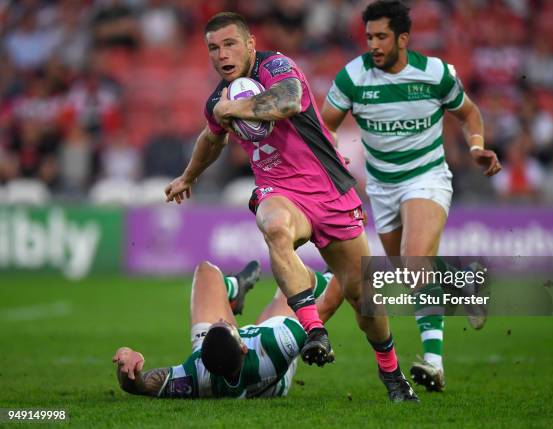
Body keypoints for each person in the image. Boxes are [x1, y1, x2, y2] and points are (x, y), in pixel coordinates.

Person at [164, 12, 417, 401]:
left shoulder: (276, 66)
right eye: (213, 48)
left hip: (330, 192)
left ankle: (392, 374)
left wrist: (235, 111)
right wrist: (188, 176)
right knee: (274, 225)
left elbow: (289, 100)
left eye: (230, 44)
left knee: (364, 302)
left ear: (249, 45)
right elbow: (211, 140)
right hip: (279, 191)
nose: (221, 55)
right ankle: (315, 330)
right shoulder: (218, 99)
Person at [321, 0, 501, 392]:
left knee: (416, 259)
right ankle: (465, 283)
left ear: (403, 38)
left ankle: (434, 363)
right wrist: (333, 160)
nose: (373, 44)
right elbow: (324, 128)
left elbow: (470, 113)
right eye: (369, 36)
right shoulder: (353, 78)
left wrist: (475, 147)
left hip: (427, 178)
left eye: (382, 36)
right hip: (382, 188)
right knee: (410, 273)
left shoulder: (434, 73)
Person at [112, 260, 343, 398]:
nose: (222, 318)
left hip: (239, 368)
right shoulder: (277, 345)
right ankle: (332, 271)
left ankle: (235, 288)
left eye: (216, 325)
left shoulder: (196, 375)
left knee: (206, 272)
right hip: (274, 374)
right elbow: (328, 304)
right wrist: (350, 264)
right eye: (226, 323)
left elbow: (140, 386)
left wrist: (127, 368)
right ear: (243, 345)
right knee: (298, 281)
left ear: (202, 354)